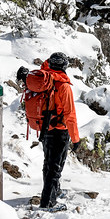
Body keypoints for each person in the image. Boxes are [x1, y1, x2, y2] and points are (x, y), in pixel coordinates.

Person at [37, 51, 79, 209]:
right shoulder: (63, 85)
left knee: (48, 164)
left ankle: (52, 192)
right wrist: (75, 139)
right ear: (65, 66)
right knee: (55, 168)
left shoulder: (45, 79)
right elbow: (70, 115)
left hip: (45, 129)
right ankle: (47, 203)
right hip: (59, 131)